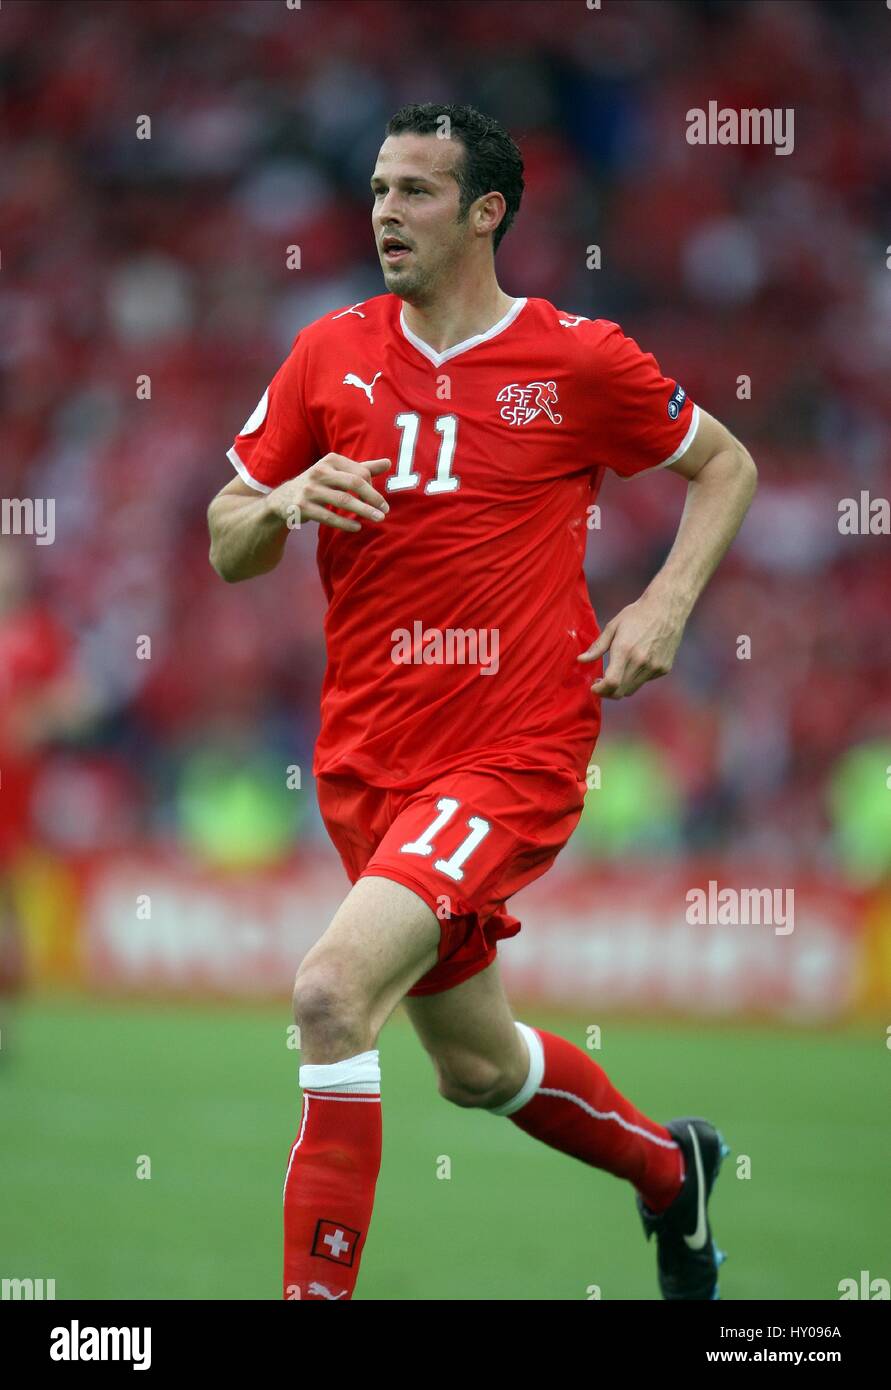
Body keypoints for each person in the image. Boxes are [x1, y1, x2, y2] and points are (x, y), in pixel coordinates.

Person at [206, 103, 757, 1301]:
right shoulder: (328, 353)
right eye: (377, 190)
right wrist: (288, 496)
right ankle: (674, 1171)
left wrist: (664, 605)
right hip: (368, 766)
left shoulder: (577, 360)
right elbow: (225, 537)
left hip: (512, 752)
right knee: (473, 1067)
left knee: (328, 993)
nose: (383, 214)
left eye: (414, 192)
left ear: (486, 211)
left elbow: (726, 463)